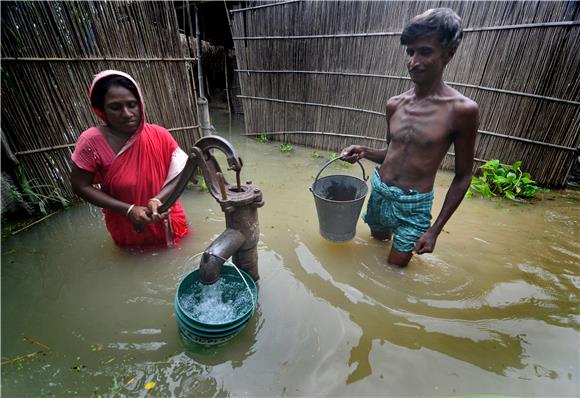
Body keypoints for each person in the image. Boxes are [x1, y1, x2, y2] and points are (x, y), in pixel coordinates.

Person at [341, 8, 478, 267]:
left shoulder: (461, 110)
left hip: (414, 205)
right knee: (375, 246)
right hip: (380, 191)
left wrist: (434, 230)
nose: (413, 62)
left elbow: (463, 176)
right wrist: (365, 151)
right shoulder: (395, 104)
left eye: (425, 52)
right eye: (410, 52)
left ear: (449, 54)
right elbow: (392, 152)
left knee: (393, 270)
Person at [71, 70, 189, 247]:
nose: (126, 113)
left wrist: (158, 200)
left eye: (132, 105)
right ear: (101, 109)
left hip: (168, 219)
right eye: (115, 107)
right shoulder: (91, 142)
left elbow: (181, 174)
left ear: (140, 104)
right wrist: (128, 210)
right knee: (136, 260)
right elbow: (80, 186)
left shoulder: (160, 135)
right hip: (127, 227)